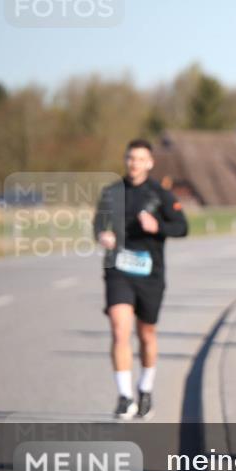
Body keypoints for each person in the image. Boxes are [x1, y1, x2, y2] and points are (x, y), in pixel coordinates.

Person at [94, 139, 188, 420]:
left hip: (150, 273)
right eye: (130, 158)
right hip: (118, 269)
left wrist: (157, 226)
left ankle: (145, 389)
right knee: (119, 329)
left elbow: (182, 227)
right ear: (125, 160)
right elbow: (98, 223)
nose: (134, 163)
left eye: (139, 159)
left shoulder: (161, 194)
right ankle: (124, 397)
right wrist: (102, 235)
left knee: (146, 334)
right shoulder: (112, 192)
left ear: (149, 163)